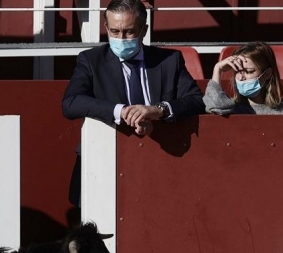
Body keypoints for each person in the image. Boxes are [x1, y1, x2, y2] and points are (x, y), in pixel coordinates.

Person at [61, 0, 205, 205]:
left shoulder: (170, 60)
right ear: (106, 28)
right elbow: (70, 103)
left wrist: (158, 110)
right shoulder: (91, 60)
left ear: (143, 30)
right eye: (114, 31)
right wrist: (123, 111)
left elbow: (196, 100)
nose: (121, 38)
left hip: (160, 162)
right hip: (105, 161)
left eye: (129, 32)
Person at [204, 42, 282, 115]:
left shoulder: (280, 110)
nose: (241, 78)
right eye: (238, 71)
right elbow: (214, 106)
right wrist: (218, 68)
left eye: (249, 72)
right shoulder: (232, 108)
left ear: (267, 74)